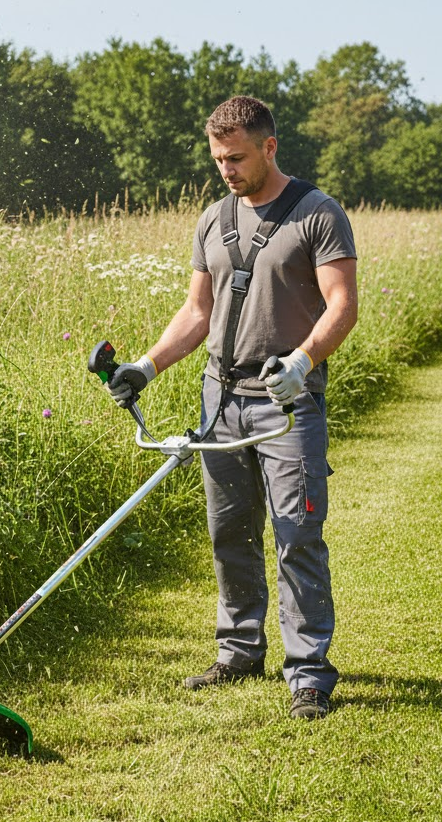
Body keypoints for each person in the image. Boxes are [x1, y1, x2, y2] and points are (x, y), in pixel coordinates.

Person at [107, 95, 358, 720]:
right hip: (220, 398)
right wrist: (146, 365)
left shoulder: (318, 214)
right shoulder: (213, 219)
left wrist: (301, 362)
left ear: (269, 147)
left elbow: (343, 304)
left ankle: (308, 673)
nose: (226, 170)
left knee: (297, 535)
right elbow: (198, 311)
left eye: (237, 158)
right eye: (219, 159)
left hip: (286, 401)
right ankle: (240, 651)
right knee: (230, 533)